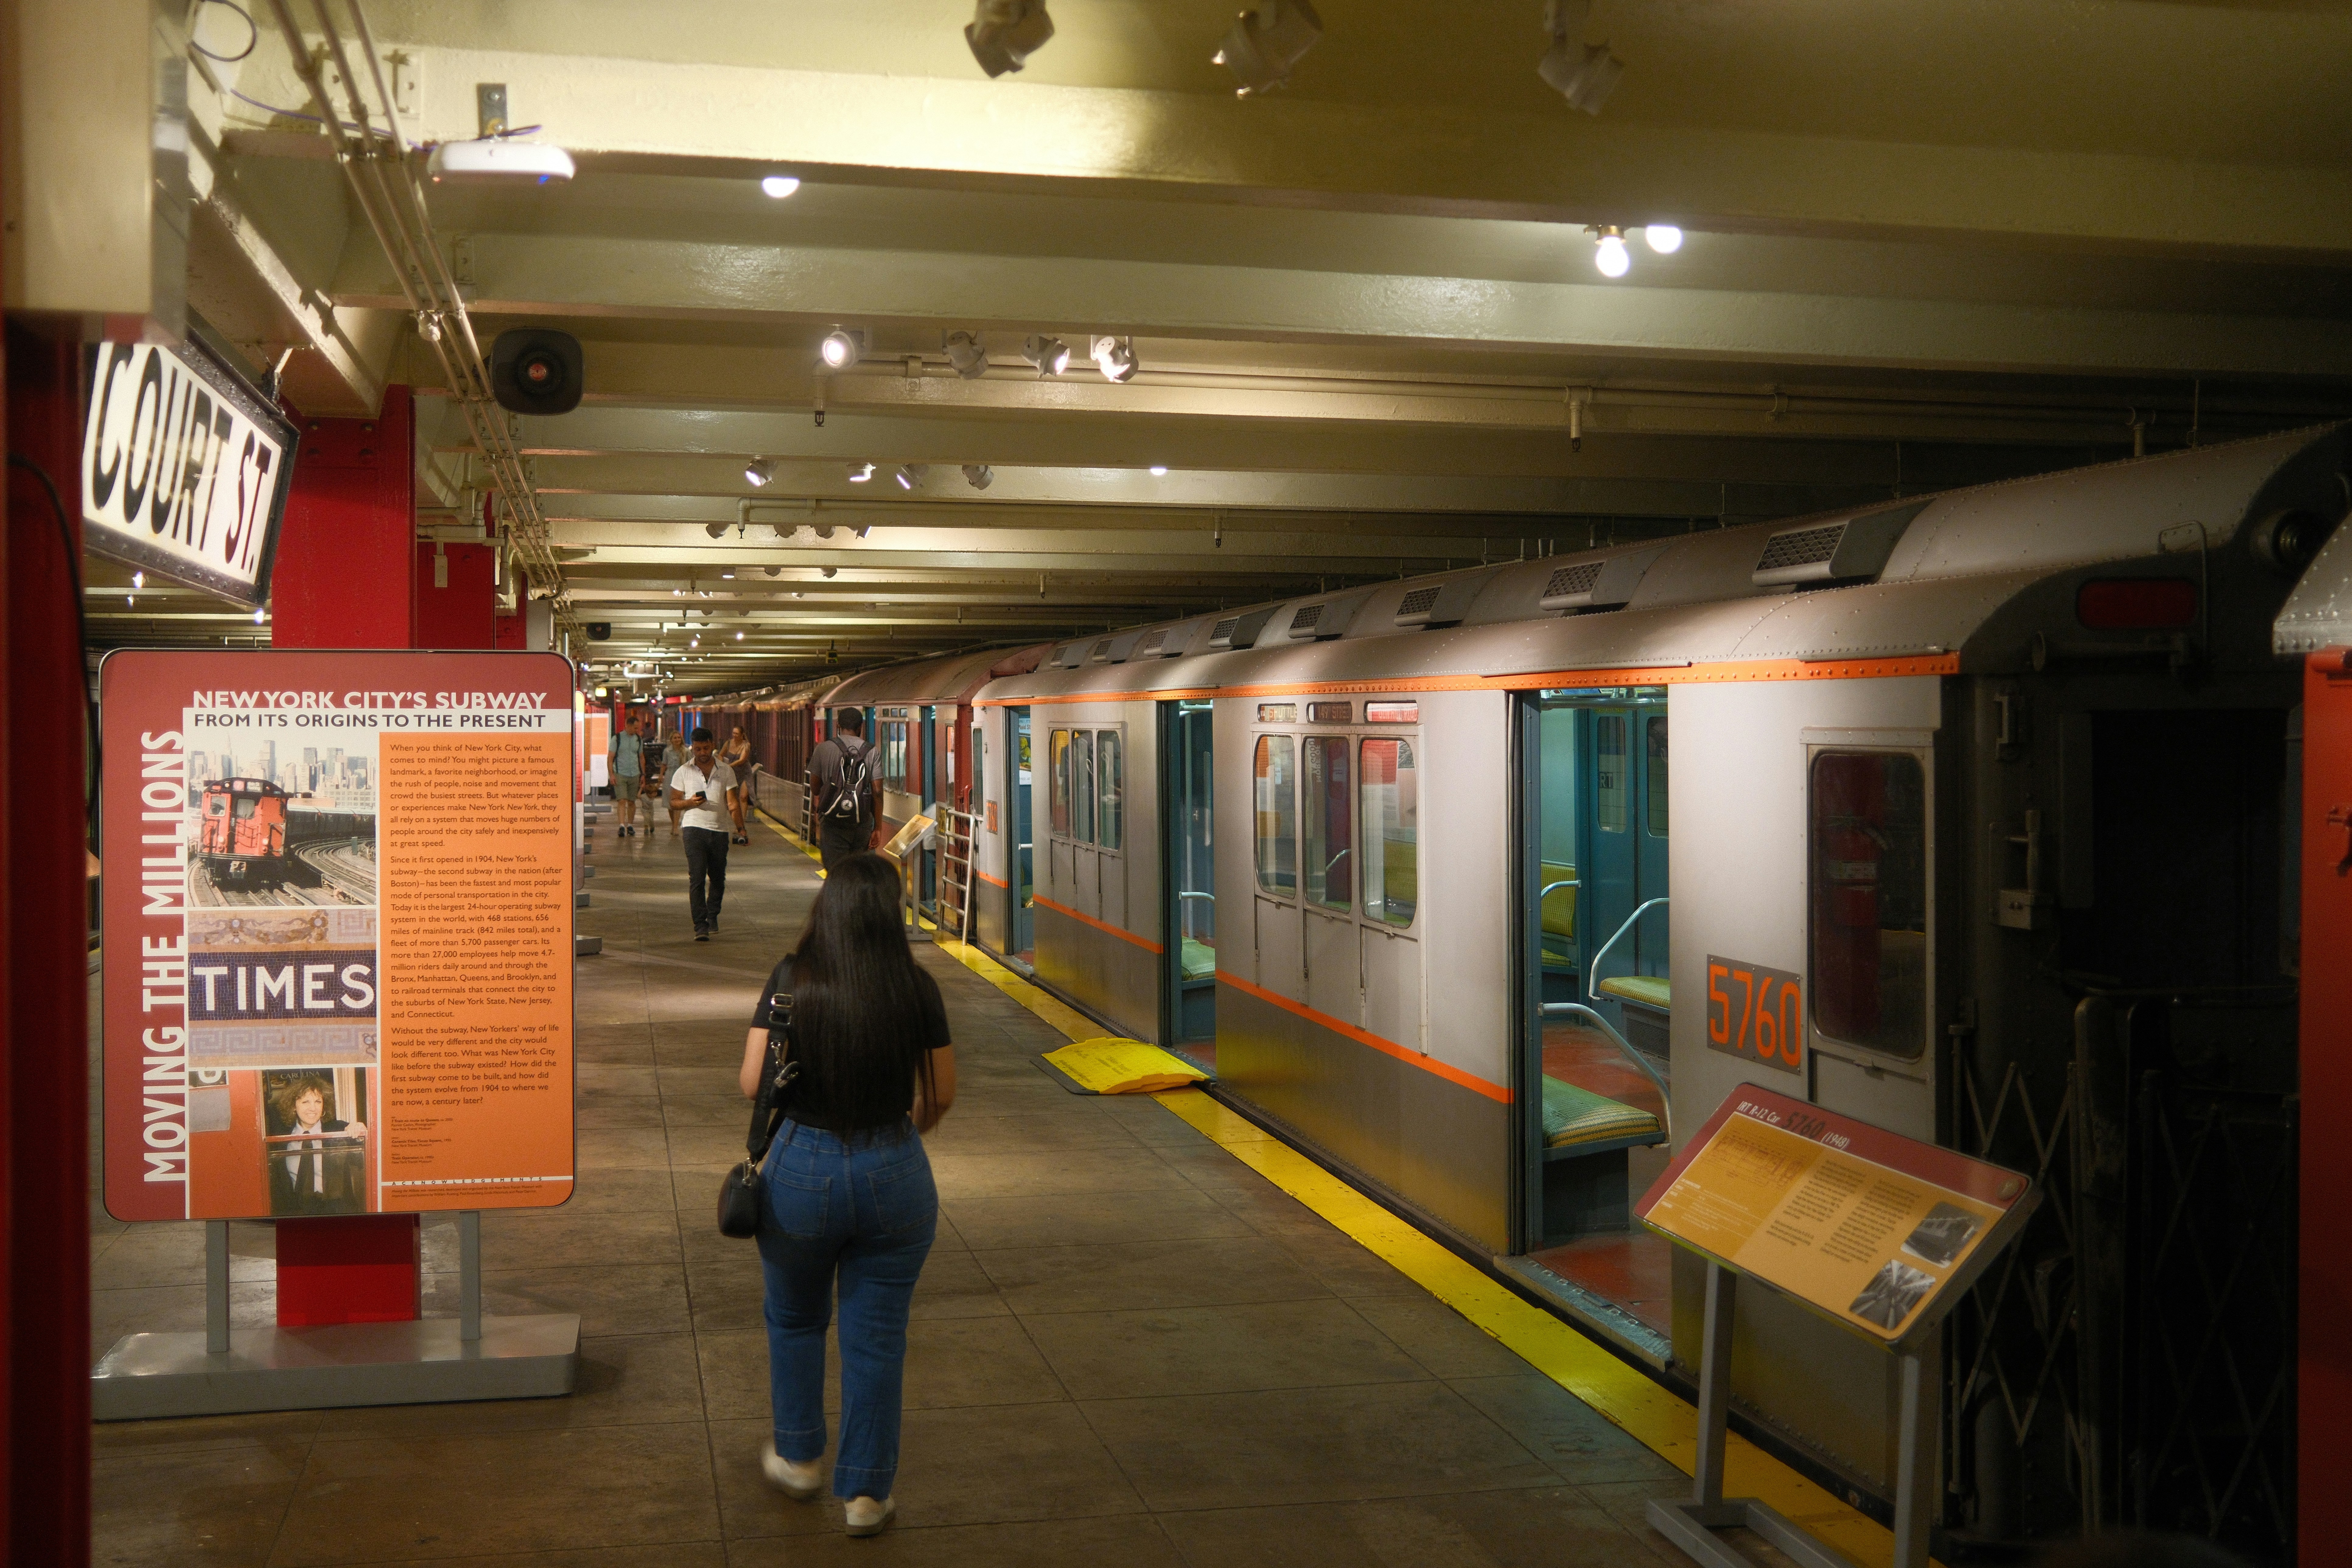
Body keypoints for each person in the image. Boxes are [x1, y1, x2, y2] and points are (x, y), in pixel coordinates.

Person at [738, 853, 956, 1537]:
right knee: (878, 1337)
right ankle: (865, 1495)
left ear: (826, 908)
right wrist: (896, 1137)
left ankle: (801, 1455)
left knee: (796, 1318)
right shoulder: (916, 987)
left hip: (802, 1166)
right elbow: (941, 1092)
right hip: (895, 1168)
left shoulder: (790, 982)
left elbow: (753, 1084)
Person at [670, 726, 741, 941]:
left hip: (719, 830)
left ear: (712, 745)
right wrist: (689, 803)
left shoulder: (727, 770)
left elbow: (732, 803)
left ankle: (713, 914)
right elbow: (674, 802)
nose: (702, 753)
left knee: (718, 878)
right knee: (697, 878)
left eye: (706, 748)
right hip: (693, 829)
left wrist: (741, 828)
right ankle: (701, 925)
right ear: (693, 748)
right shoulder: (683, 771)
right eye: (698, 749)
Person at [268, 1075, 368, 1215]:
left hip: (337, 1211)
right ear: (294, 1107)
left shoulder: (337, 1129)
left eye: (318, 1102)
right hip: (297, 1211)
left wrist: (359, 1130)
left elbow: (362, 1156)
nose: (313, 1108)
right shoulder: (281, 1137)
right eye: (306, 1102)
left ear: (324, 1106)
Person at [807, 711, 879, 872]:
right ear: (861, 727)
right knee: (859, 871)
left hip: (832, 822)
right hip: (861, 822)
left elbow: (815, 788)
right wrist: (878, 828)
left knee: (836, 871)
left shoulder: (823, 749)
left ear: (838, 726)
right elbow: (878, 793)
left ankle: (840, 895)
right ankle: (856, 896)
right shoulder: (872, 752)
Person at [609, 712, 644, 837]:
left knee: (632, 802)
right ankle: (622, 826)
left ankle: (630, 825)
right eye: (635, 728)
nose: (637, 730)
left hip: (635, 774)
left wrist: (643, 774)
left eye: (638, 728)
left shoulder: (638, 740)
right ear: (628, 726)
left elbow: (641, 757)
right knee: (622, 800)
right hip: (620, 774)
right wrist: (612, 775)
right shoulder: (617, 739)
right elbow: (610, 758)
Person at [720, 724, 754, 845]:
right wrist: (720, 764)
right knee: (733, 798)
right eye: (733, 733)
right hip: (732, 774)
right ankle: (737, 822)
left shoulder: (746, 745)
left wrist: (728, 766)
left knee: (743, 797)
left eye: (737, 734)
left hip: (744, 773)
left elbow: (742, 760)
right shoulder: (728, 743)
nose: (734, 735)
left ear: (742, 735)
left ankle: (742, 825)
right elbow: (721, 754)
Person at [638, 729, 669, 841]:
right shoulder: (647, 797)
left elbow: (655, 788)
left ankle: (651, 827)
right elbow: (641, 795)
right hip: (646, 811)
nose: (654, 795)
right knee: (647, 818)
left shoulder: (651, 796)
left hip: (651, 811)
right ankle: (647, 828)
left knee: (651, 819)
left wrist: (660, 781)